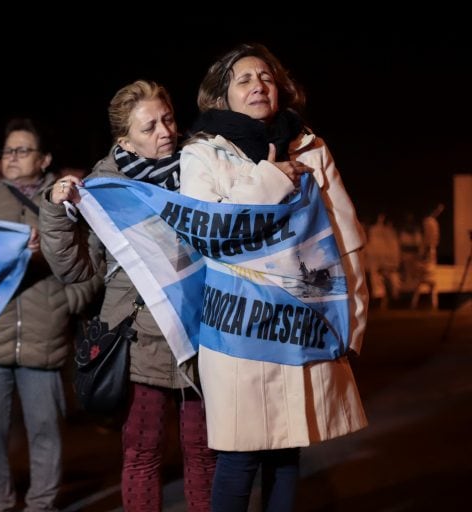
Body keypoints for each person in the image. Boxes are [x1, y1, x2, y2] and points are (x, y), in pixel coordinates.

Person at [180, 43, 368, 511]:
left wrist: (354, 321)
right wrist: (272, 178)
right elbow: (210, 231)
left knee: (287, 453)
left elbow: (345, 238)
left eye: (265, 77)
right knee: (239, 456)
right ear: (221, 97)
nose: (257, 85)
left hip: (301, 320)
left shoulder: (312, 147)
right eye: (243, 79)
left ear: (280, 89)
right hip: (238, 329)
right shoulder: (201, 154)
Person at [40, 80, 216, 511]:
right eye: (149, 126)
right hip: (140, 337)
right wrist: (56, 211)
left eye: (167, 118)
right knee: (142, 452)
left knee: (206, 452)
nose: (165, 131)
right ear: (125, 139)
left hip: (204, 327)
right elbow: (79, 269)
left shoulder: (201, 167)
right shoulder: (105, 187)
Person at [0, 118, 102, 511]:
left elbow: (95, 256)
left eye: (22, 150)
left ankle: (41, 504)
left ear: (43, 159)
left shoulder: (71, 198)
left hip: (46, 331)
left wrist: (69, 301)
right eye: (8, 150)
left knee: (46, 429)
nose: (12, 158)